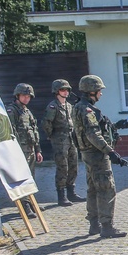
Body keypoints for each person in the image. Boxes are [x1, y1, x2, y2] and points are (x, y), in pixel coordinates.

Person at [72, 75, 128, 238]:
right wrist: (110, 151)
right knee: (106, 188)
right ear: (92, 91)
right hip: (96, 154)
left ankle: (94, 224)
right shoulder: (87, 109)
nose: (101, 94)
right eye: (99, 91)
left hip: (88, 153)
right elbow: (93, 134)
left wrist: (116, 126)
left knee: (93, 188)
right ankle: (106, 226)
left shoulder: (79, 107)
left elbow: (96, 129)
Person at [42, 79, 84, 207]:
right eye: (62, 90)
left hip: (71, 137)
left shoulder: (69, 106)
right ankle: (62, 196)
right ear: (56, 91)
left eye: (67, 90)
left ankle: (71, 192)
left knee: (73, 165)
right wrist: (51, 136)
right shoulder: (52, 106)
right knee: (62, 167)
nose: (65, 92)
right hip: (59, 139)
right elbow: (46, 123)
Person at [7, 83, 43, 216]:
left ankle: (32, 203)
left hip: (31, 149)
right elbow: (11, 131)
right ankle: (25, 206)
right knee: (22, 178)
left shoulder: (27, 111)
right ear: (17, 96)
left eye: (29, 96)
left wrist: (38, 149)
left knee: (30, 178)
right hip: (20, 151)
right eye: (24, 96)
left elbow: (34, 131)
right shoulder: (12, 111)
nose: (27, 98)